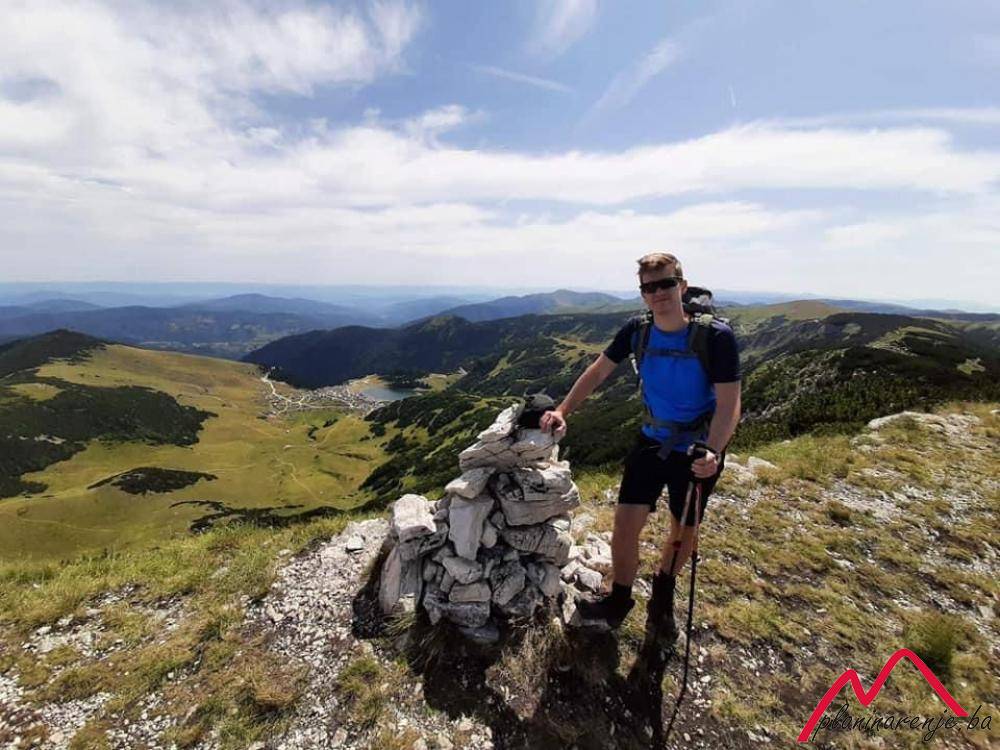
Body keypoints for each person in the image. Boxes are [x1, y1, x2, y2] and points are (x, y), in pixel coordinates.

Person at [540, 251, 741, 641]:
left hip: (698, 449)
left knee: (684, 529)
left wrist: (714, 451)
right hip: (651, 441)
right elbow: (598, 370)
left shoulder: (716, 337)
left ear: (682, 286)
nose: (658, 293)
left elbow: (730, 403)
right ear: (642, 293)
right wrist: (563, 410)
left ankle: (662, 598)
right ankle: (619, 599)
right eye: (649, 287)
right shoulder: (637, 331)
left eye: (666, 284)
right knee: (625, 524)